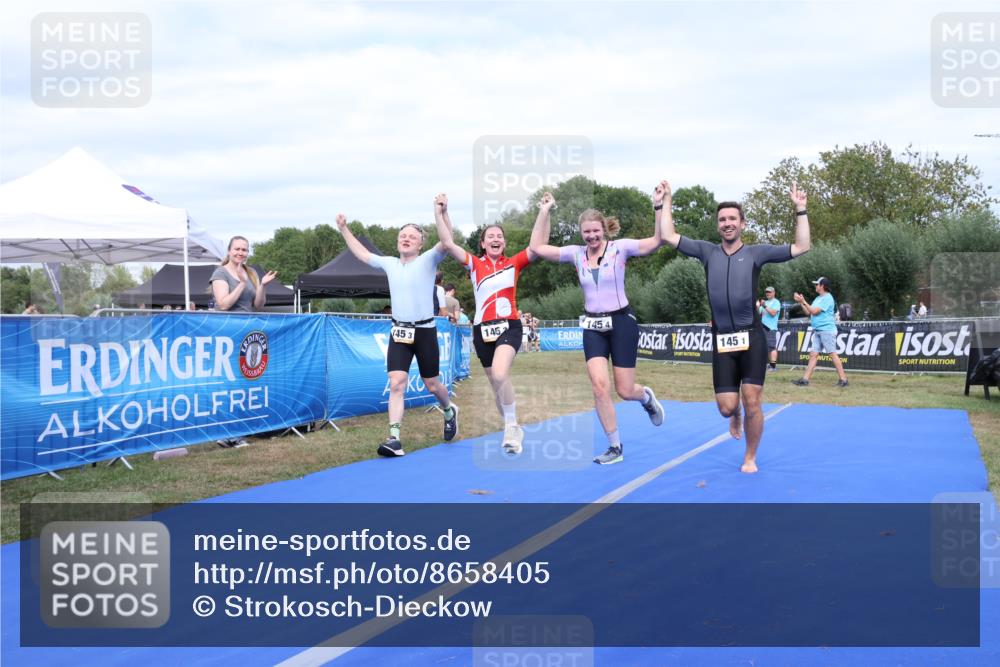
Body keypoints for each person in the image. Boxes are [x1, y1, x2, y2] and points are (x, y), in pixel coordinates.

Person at [660, 182, 811, 474]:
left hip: (752, 337)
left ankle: (750, 457)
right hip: (722, 340)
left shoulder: (757, 253)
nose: (727, 224)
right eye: (722, 220)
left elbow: (802, 246)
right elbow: (667, 235)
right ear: (718, 226)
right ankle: (735, 414)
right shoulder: (706, 252)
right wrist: (665, 201)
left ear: (742, 223)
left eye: (732, 219)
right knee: (727, 407)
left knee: (753, 399)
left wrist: (800, 208)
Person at [530, 187, 667, 465]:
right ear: (581, 234)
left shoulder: (621, 248)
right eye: (586, 233)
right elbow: (537, 248)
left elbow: (657, 241)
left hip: (621, 322)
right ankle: (615, 447)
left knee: (625, 390)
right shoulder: (575, 253)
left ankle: (646, 397)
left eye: (596, 231)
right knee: (599, 387)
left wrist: (658, 208)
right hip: (592, 326)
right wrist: (544, 212)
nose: (591, 237)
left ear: (604, 229)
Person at [433, 192, 550, 455]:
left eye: (499, 236)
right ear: (483, 244)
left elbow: (537, 245)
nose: (496, 239)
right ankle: (512, 425)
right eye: (490, 237)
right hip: (481, 330)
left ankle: (511, 426)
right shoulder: (474, 265)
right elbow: (447, 242)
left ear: (504, 243)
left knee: (500, 374)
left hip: (509, 325)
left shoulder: (514, 263)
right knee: (496, 386)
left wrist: (544, 212)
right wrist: (440, 213)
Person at [336, 213, 458, 457]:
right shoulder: (389, 263)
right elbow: (362, 254)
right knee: (396, 383)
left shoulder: (428, 260)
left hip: (424, 331)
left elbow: (447, 241)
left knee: (432, 385)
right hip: (399, 331)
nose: (406, 239)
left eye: (412, 236)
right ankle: (394, 438)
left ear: (420, 244)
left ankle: (449, 410)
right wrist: (344, 229)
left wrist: (441, 213)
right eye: (403, 235)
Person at [211, 235, 278, 448]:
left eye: (245, 250)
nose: (241, 253)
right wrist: (240, 284)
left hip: (247, 335)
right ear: (229, 251)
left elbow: (258, 305)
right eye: (237, 249)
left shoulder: (251, 273)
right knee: (228, 385)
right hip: (226, 335)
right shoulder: (220, 273)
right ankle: (227, 434)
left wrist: (262, 285)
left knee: (244, 385)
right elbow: (223, 304)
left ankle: (238, 431)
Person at [792, 277, 849, 388]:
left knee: (832, 354)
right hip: (819, 330)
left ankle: (844, 380)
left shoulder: (828, 298)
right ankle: (805, 380)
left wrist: (803, 301)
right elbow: (809, 312)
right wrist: (801, 303)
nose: (815, 286)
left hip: (826, 331)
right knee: (813, 355)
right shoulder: (818, 298)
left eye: (817, 284)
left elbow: (814, 311)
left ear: (822, 286)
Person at [757, 287, 781, 371]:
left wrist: (764, 305)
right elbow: (758, 313)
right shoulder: (765, 302)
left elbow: (773, 313)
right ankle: (770, 365)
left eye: (769, 292)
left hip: (770, 328)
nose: (768, 293)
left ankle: (773, 366)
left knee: (772, 347)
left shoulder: (776, 302)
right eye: (766, 292)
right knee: (765, 347)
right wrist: (757, 306)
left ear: (774, 293)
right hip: (762, 327)